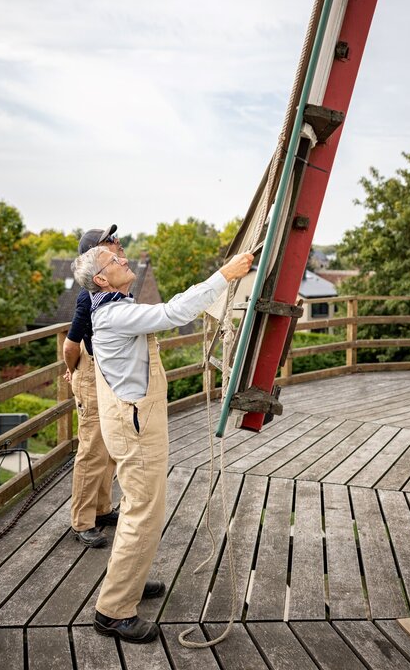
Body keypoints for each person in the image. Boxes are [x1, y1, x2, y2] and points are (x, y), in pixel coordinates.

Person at [72, 242, 254, 644]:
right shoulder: (116, 312)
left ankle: (129, 584)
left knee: (144, 510)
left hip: (133, 421)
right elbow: (173, 312)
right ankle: (113, 611)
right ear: (101, 279)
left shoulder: (114, 305)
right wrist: (224, 276)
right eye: (114, 261)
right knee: (143, 513)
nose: (123, 259)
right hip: (136, 427)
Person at [63, 225, 122, 548]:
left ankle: (101, 508)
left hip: (104, 370)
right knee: (91, 449)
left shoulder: (111, 285)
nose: (115, 244)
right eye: (108, 242)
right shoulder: (88, 294)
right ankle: (82, 521)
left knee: (107, 445)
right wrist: (73, 371)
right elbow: (70, 344)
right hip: (90, 371)